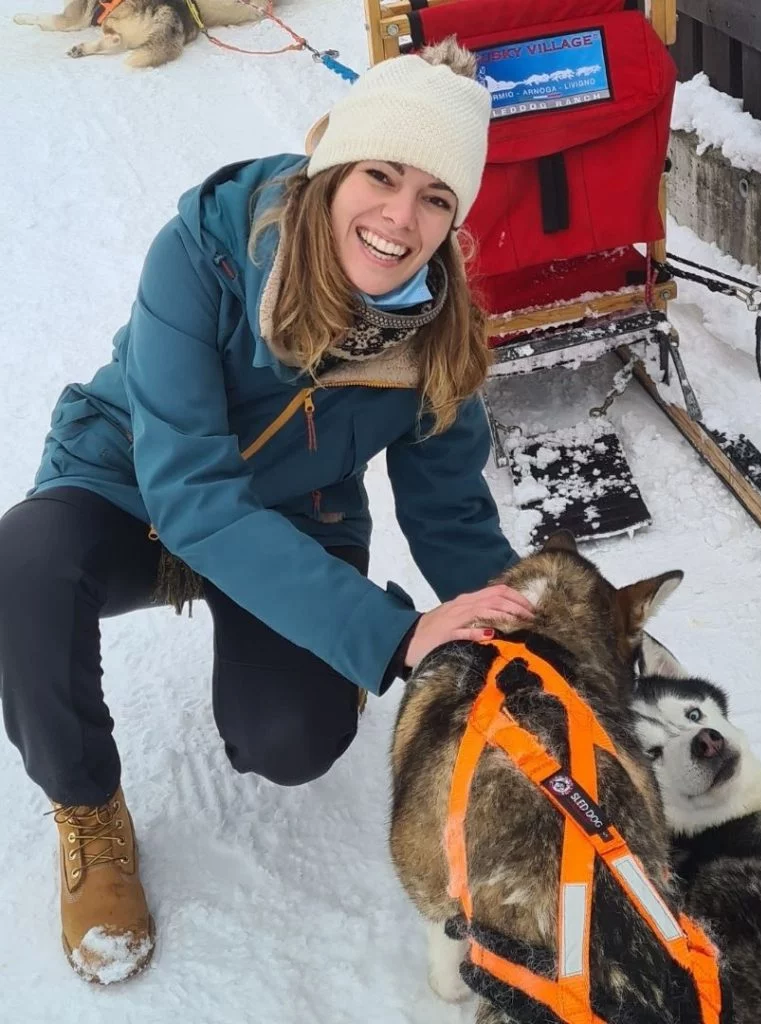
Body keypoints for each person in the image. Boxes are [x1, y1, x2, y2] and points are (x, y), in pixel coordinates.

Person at [0, 38, 534, 984]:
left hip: (295, 515)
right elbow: (192, 494)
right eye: (381, 175)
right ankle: (87, 809)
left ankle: (298, 648)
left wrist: (537, 637)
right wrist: (393, 636)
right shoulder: (204, 251)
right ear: (333, 164)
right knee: (24, 566)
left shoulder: (439, 332)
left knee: (291, 740)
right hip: (134, 483)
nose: (399, 218)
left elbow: (453, 517)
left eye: (435, 197)